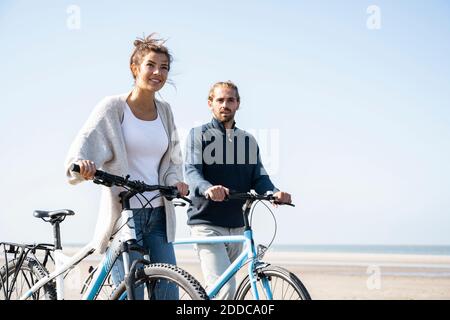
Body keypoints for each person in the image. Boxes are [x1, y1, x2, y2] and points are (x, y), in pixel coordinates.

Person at [64, 33, 188, 299]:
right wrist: (81, 164)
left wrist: (176, 181)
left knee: (168, 293)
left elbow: (173, 160)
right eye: (151, 65)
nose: (158, 72)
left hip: (159, 216)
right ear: (135, 68)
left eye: (164, 67)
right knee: (132, 293)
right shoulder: (112, 107)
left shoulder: (165, 112)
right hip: (125, 215)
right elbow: (84, 144)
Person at [184, 81, 292, 299]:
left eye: (230, 100)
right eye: (220, 100)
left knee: (219, 292)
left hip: (238, 226)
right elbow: (191, 172)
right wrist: (208, 188)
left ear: (238, 104)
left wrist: (274, 192)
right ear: (210, 104)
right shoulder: (198, 135)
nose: (225, 104)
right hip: (207, 224)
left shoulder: (247, 141)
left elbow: (259, 177)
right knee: (225, 290)